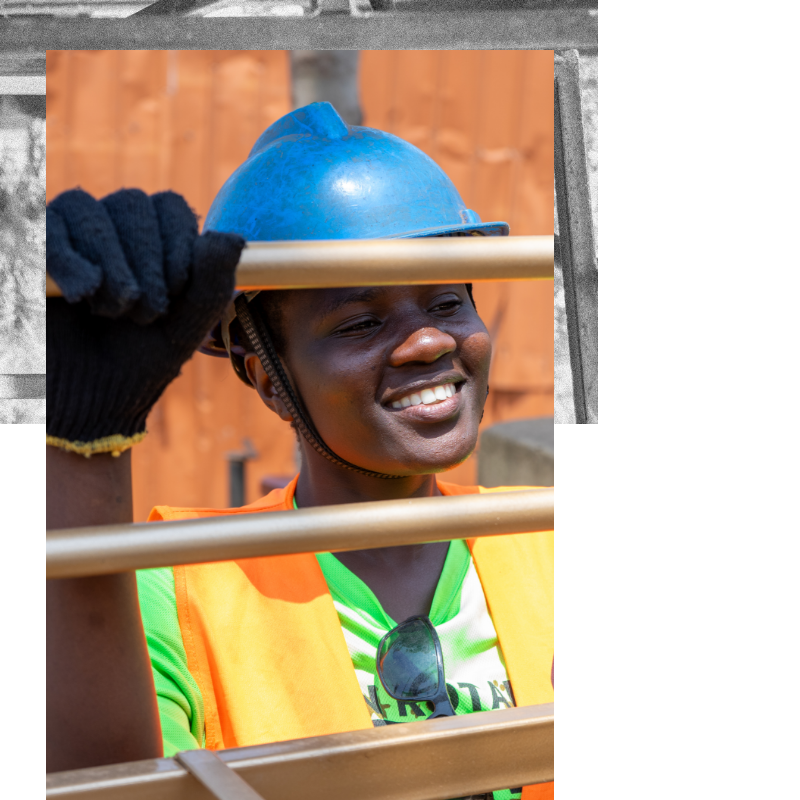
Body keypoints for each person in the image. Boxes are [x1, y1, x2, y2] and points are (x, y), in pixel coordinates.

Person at [46, 103, 553, 800]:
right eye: (363, 320)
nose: (430, 342)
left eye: (444, 304)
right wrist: (85, 447)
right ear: (264, 375)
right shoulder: (176, 583)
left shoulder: (545, 536)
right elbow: (102, 785)